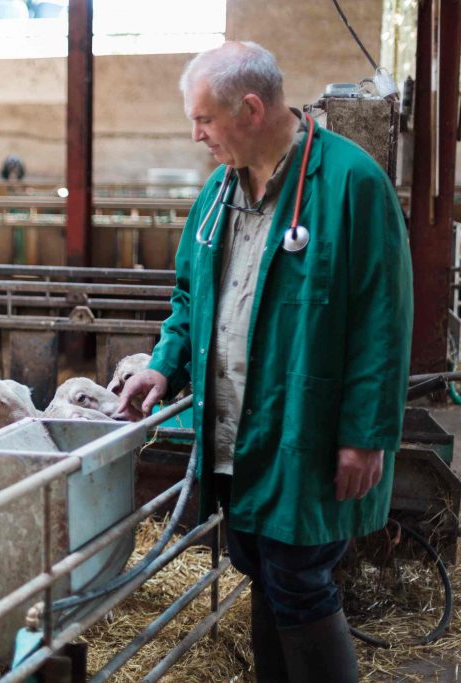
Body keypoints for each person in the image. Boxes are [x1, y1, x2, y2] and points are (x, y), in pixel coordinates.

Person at [117, 42, 413, 682]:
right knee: (262, 566)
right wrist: (163, 364)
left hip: (305, 428)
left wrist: (366, 435)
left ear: (250, 108)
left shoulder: (351, 184)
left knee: (298, 575)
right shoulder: (219, 193)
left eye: (205, 120)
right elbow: (189, 297)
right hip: (234, 430)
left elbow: (381, 320)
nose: (196, 135)